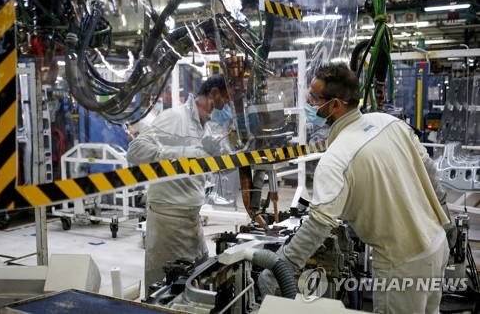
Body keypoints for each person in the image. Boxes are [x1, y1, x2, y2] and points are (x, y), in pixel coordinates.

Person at [259, 63, 456, 314]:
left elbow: (318, 225)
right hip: (437, 245)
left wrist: (280, 267)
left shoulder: (336, 158)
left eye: (314, 97)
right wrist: (447, 222)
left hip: (402, 264)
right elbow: (430, 173)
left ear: (336, 104)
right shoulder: (389, 123)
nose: (308, 102)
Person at [126, 74, 230, 297]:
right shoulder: (174, 118)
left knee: (197, 286)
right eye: (226, 101)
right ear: (213, 94)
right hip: (168, 222)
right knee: (165, 292)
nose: (228, 107)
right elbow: (135, 150)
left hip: (193, 220)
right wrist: (185, 154)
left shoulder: (207, 128)